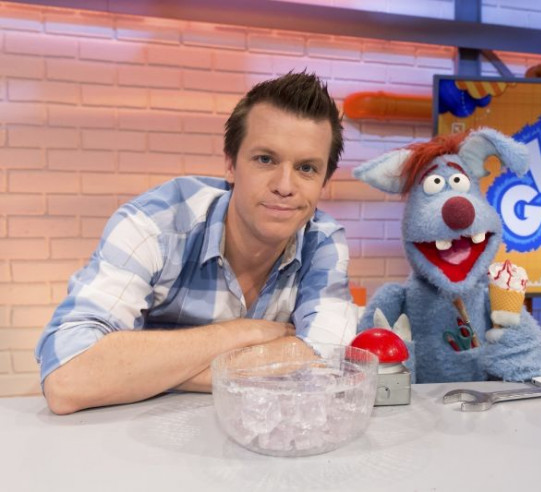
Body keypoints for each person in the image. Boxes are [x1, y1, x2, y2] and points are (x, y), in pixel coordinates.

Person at [35, 72, 358, 415]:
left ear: (324, 182)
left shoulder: (322, 239)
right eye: (265, 159)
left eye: (306, 168)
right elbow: (68, 377)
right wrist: (243, 333)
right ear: (230, 165)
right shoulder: (155, 226)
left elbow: (328, 360)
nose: (285, 186)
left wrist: (151, 373)